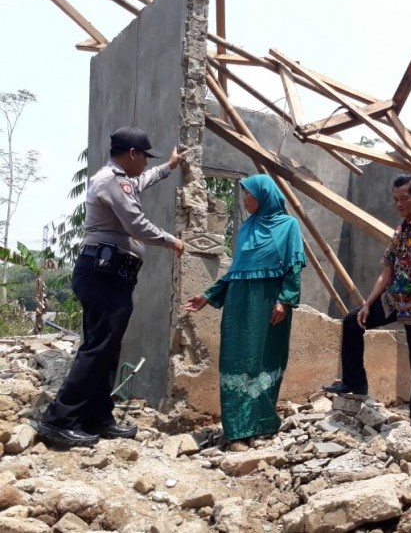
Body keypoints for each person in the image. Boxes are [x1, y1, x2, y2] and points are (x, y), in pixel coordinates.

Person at [37, 126, 187, 447]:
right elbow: (135, 224)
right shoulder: (111, 180)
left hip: (111, 274)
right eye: (145, 156)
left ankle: (98, 416)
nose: (147, 163)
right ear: (131, 154)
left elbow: (140, 182)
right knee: (97, 348)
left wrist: (168, 167)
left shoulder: (119, 179)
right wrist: (171, 241)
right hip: (103, 273)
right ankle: (58, 419)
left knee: (108, 349)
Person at [323, 174, 411, 436]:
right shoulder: (400, 232)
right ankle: (355, 383)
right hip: (394, 299)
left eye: (404, 198)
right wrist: (368, 303)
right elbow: (387, 272)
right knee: (353, 321)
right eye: (395, 199)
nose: (399, 204)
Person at [185, 174, 305, 445]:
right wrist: (207, 296)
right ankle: (237, 430)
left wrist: (285, 301)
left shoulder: (289, 226)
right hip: (239, 307)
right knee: (236, 362)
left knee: (265, 360)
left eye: (248, 194)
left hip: (270, 305)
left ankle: (263, 423)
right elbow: (234, 274)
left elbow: (293, 267)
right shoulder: (245, 230)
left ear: (264, 196)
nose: (244, 199)